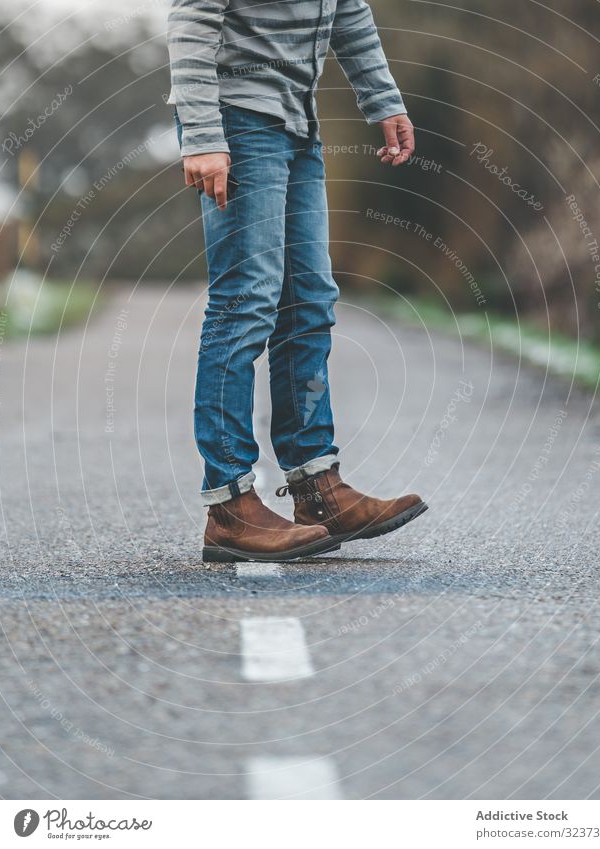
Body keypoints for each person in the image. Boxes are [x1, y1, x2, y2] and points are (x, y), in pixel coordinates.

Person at [167, 0, 428, 562]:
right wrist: (204, 136)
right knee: (246, 302)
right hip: (236, 119)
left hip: (298, 122)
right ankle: (231, 505)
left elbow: (349, 9)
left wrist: (382, 98)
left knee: (309, 303)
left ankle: (318, 489)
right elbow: (192, 20)